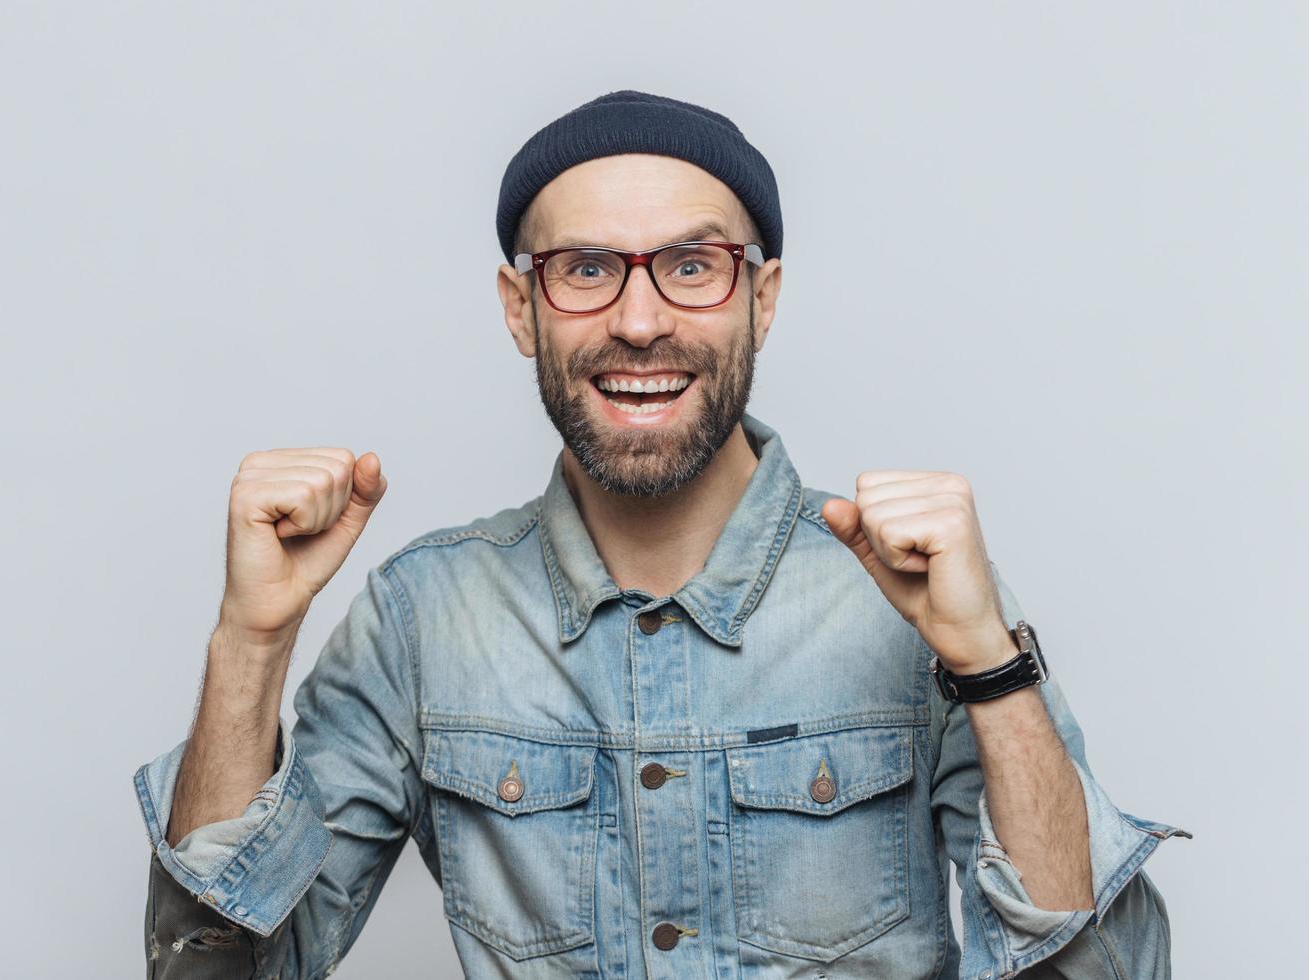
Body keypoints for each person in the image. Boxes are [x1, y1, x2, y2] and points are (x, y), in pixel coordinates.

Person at [134, 90, 1189, 979]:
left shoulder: (915, 596)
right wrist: (251, 642)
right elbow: (222, 967)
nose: (640, 320)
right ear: (519, 307)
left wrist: (989, 668)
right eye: (587, 269)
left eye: (693, 265)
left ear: (761, 298)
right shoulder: (424, 620)